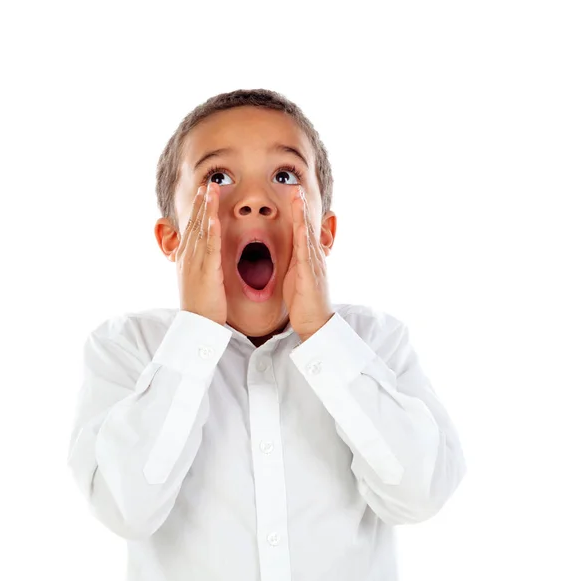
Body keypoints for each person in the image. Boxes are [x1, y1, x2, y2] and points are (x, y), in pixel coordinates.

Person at [67, 88, 467, 581]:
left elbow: (420, 493)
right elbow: (125, 507)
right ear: (172, 239)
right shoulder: (126, 348)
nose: (254, 201)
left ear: (325, 233)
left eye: (284, 176)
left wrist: (323, 335)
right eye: (218, 176)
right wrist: (196, 334)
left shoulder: (375, 342)